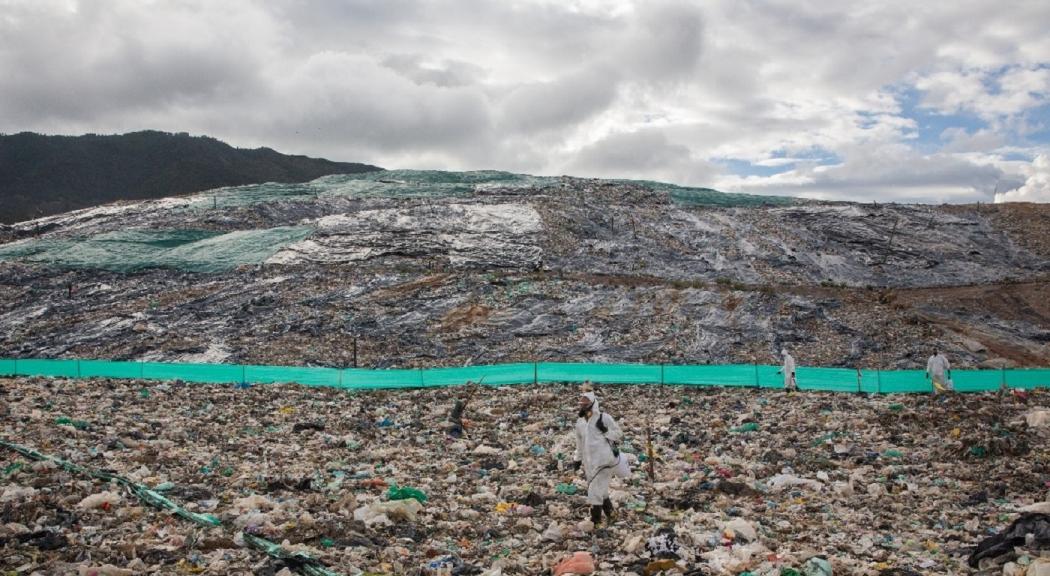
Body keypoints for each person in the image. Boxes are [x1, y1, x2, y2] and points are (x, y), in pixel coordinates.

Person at [573, 391, 623, 527]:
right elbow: (579, 443)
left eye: (586, 403)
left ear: (593, 403)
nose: (583, 406)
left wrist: (606, 431)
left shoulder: (604, 418)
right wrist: (577, 459)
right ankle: (611, 513)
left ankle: (596, 521)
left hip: (604, 460)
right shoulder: (580, 423)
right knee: (600, 489)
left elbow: (618, 434)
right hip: (589, 463)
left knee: (594, 491)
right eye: (582, 404)